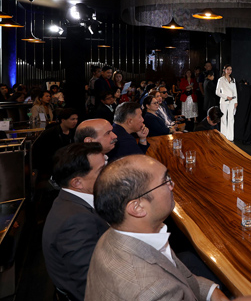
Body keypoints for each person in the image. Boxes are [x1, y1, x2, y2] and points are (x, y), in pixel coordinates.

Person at [85, 155, 229, 301]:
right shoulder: (152, 292)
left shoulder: (117, 234)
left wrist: (212, 292)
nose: (172, 185)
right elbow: (164, 286)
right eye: (165, 181)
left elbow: (178, 277)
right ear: (138, 207)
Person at [43, 142, 109, 301]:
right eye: (102, 170)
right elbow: (92, 283)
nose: (110, 172)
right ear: (77, 183)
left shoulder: (70, 200)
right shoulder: (76, 221)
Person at [32, 108, 79, 181]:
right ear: (63, 120)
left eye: (76, 119)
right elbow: (38, 150)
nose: (75, 121)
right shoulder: (50, 133)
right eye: (72, 119)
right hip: (51, 167)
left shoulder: (74, 133)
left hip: (68, 166)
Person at [216, 65, 237, 141]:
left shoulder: (233, 79)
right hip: (224, 101)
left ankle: (230, 137)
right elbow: (217, 92)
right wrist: (226, 97)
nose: (229, 71)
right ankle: (224, 136)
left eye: (230, 69)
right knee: (223, 118)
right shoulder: (221, 80)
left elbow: (235, 91)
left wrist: (236, 101)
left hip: (232, 101)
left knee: (231, 118)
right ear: (224, 70)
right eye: (228, 69)